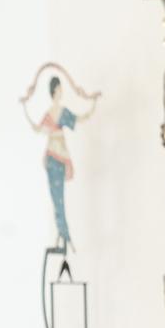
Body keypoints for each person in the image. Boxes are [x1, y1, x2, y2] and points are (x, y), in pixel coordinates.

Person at [21, 70, 100, 251]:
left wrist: (93, 104)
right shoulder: (50, 114)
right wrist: (25, 108)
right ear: (55, 91)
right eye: (60, 89)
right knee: (56, 198)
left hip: (59, 156)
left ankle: (64, 234)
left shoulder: (62, 113)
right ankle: (62, 233)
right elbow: (37, 128)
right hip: (52, 157)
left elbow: (81, 118)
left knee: (60, 198)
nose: (62, 92)